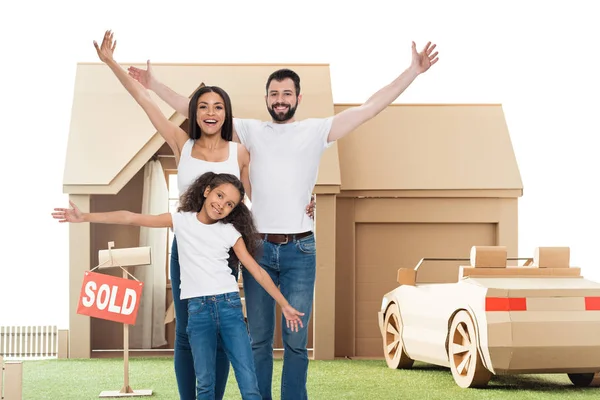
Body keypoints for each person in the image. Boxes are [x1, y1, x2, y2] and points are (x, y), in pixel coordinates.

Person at [128, 40, 439, 400]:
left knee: (295, 341)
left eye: (286, 93)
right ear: (267, 99)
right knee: (258, 340)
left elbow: (369, 108)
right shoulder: (249, 131)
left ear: (297, 98)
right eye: (274, 93)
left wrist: (413, 72)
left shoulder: (317, 130)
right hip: (258, 247)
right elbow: (197, 109)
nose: (280, 99)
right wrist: (154, 85)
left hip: (300, 251)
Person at [93, 31, 315, 400]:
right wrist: (111, 63)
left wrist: (305, 201)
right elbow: (143, 100)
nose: (210, 113)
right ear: (194, 114)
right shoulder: (183, 145)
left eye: (217, 107)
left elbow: (262, 194)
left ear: (226, 114)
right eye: (203, 107)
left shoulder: (240, 151)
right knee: (185, 331)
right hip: (186, 249)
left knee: (225, 332)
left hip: (226, 252)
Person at [53, 172, 305, 399]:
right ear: (206, 191)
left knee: (248, 384)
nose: (222, 205)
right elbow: (130, 218)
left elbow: (258, 272)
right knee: (204, 386)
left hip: (229, 309)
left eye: (230, 204)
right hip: (198, 312)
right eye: (219, 195)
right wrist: (84, 216)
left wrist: (284, 304)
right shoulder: (181, 221)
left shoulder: (230, 232)